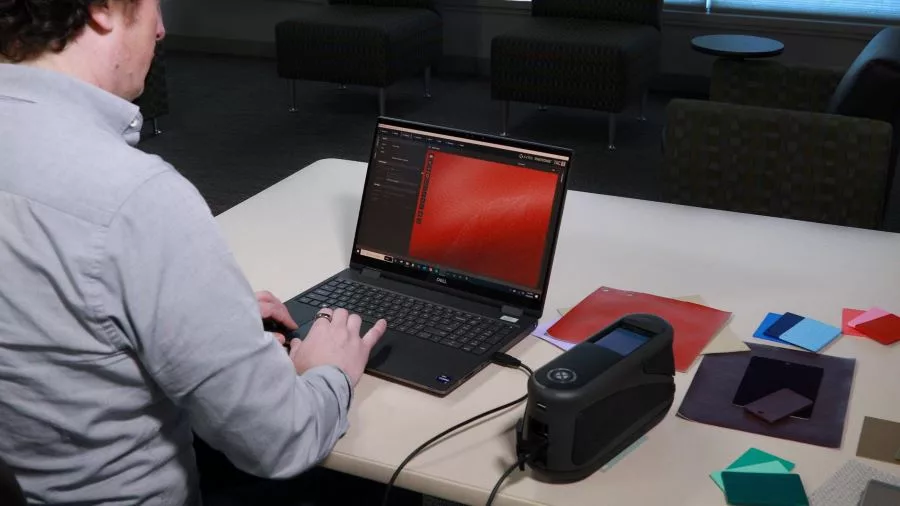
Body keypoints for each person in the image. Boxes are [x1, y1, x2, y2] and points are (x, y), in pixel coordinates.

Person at [0, 1, 388, 504]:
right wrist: (329, 370)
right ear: (102, 9)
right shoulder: (135, 199)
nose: (161, 29)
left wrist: (200, 326)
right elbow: (280, 441)